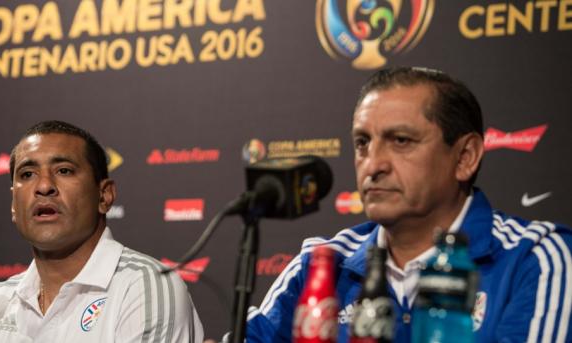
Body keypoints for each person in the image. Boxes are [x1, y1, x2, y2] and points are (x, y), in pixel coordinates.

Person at [244, 67, 572, 342]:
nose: (373, 165)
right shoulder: (321, 265)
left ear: (465, 157)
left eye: (401, 141)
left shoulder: (537, 259)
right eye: (362, 143)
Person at [0, 120, 204, 342]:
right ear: (14, 206)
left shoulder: (144, 286)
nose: (44, 186)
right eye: (27, 174)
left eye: (64, 170)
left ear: (104, 195)